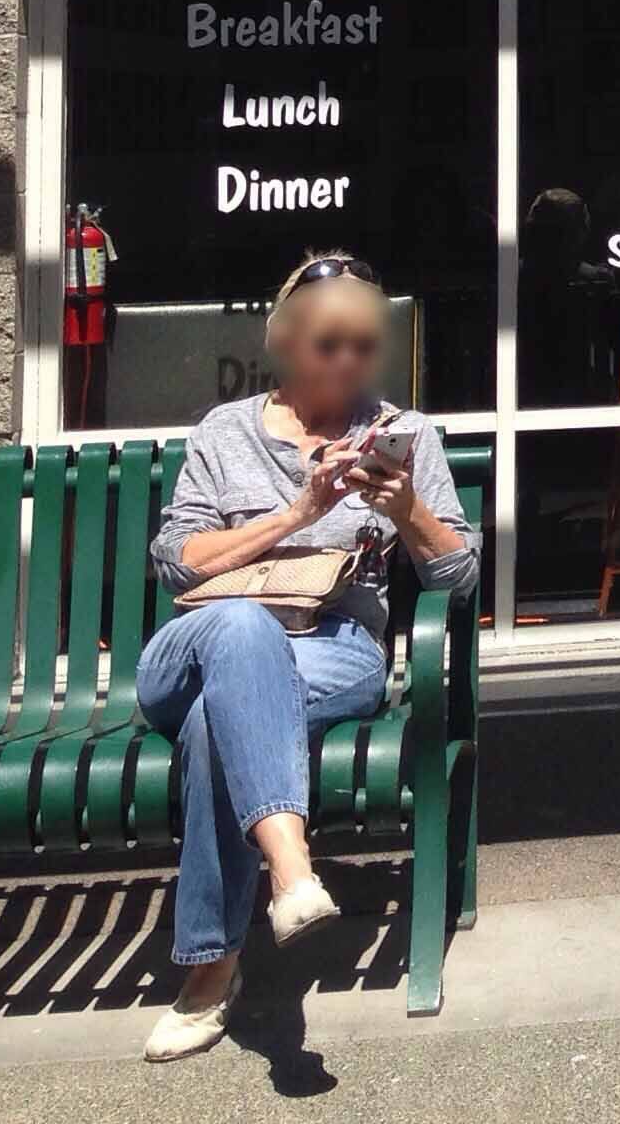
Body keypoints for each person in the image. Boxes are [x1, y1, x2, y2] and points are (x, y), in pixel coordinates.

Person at [136, 250, 481, 1063]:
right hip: (199, 641)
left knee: (221, 727)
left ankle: (211, 973)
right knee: (243, 634)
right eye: (329, 343)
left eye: (365, 345)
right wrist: (299, 511)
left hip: (335, 650)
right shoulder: (226, 433)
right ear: (284, 342)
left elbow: (458, 577)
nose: (349, 361)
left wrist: (407, 511)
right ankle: (292, 873)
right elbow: (177, 561)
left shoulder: (404, 434)